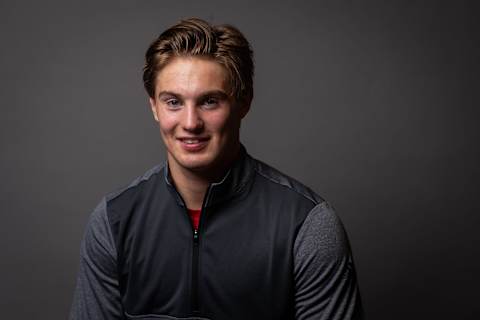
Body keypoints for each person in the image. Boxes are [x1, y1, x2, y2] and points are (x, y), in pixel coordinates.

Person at [69, 18, 363, 320]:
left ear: (244, 103)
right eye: (173, 102)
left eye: (210, 101)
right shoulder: (113, 222)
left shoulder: (307, 225)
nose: (191, 123)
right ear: (154, 107)